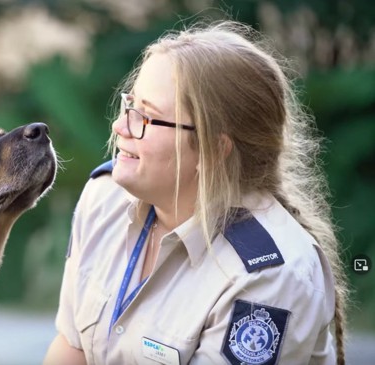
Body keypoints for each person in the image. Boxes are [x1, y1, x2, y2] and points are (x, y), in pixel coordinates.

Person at [43, 20, 348, 365]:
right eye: (130, 105)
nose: (120, 126)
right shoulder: (104, 198)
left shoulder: (269, 277)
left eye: (147, 116)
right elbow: (72, 347)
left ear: (213, 149)